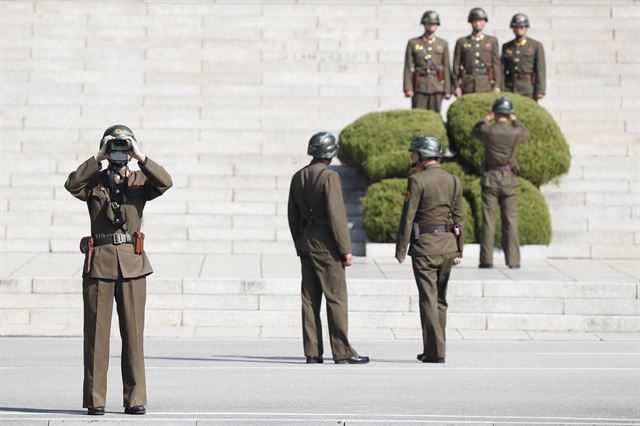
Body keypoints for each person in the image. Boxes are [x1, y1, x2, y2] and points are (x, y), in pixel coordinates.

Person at [65, 125, 172, 415]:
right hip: (99, 264)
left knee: (133, 336)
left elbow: (165, 183)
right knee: (96, 339)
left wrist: (141, 156)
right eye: (114, 146)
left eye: (123, 146)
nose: (119, 151)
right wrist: (97, 156)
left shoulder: (139, 180)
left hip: (133, 266)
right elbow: (71, 184)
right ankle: (95, 399)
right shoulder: (93, 181)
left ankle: (135, 398)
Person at [287, 132, 369, 365]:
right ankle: (342, 351)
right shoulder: (329, 177)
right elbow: (336, 215)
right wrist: (345, 249)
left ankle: (312, 352)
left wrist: (299, 243)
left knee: (310, 299)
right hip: (327, 244)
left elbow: (292, 215)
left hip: (307, 241)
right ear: (330, 153)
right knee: (336, 298)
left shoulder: (298, 176)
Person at [395, 136, 464, 364]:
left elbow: (408, 217)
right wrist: (458, 250)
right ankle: (434, 348)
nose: (411, 157)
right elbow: (459, 218)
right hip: (447, 247)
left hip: (425, 247)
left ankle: (435, 352)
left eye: (414, 153)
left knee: (428, 300)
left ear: (423, 155)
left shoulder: (416, 181)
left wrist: (401, 249)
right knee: (441, 300)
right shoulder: (454, 180)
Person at [471, 97, 530, 269]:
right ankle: (513, 261)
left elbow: (475, 131)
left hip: (491, 178)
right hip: (509, 179)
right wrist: (515, 119)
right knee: (511, 221)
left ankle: (486, 260)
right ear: (509, 113)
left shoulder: (488, 130)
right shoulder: (515, 132)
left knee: (489, 221)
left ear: (495, 113)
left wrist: (485, 118)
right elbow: (525, 132)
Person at [403, 10, 452, 113]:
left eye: (434, 24)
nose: (431, 26)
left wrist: (447, 89)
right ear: (424, 24)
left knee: (436, 115)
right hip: (419, 85)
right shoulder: (413, 43)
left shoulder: (443, 43)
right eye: (429, 23)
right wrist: (408, 87)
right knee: (418, 116)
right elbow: (408, 67)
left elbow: (447, 67)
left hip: (437, 85)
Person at [453, 7, 501, 96]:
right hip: (468, 82)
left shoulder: (492, 41)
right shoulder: (462, 41)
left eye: (480, 21)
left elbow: (496, 64)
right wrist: (456, 86)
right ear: (471, 22)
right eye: (475, 21)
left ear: (484, 22)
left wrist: (497, 85)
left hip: (486, 82)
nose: (478, 23)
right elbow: (456, 66)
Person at [501, 13, 546, 101]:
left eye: (521, 27)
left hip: (528, 87)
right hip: (510, 86)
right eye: (516, 27)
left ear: (526, 28)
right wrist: (501, 87)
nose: (518, 30)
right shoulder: (506, 46)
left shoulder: (535, 45)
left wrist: (540, 90)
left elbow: (540, 69)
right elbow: (502, 68)